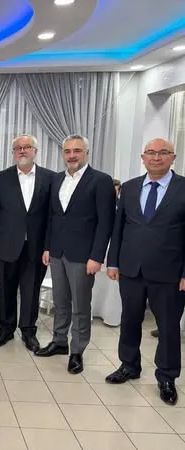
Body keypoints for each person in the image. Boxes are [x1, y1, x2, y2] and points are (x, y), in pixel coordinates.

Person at [105, 138, 185, 406]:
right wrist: (113, 262)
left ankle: (167, 376)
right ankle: (129, 365)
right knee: (129, 319)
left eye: (163, 153)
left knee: (168, 327)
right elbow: (118, 228)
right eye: (150, 152)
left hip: (170, 273)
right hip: (131, 269)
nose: (156, 157)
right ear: (143, 157)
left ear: (173, 158)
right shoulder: (129, 188)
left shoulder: (183, 188)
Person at [36, 135, 115, 375]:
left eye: (77, 151)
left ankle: (77, 350)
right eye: (68, 151)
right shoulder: (56, 179)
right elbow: (52, 217)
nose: (72, 155)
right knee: (60, 302)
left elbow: (105, 223)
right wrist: (47, 247)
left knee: (80, 306)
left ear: (86, 153)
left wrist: (97, 257)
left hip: (83, 256)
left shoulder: (101, 180)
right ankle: (59, 341)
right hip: (57, 252)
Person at [0, 135, 55, 352]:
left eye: (27, 147)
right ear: (13, 152)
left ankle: (28, 331)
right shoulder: (0, 178)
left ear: (35, 151)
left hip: (36, 247)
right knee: (6, 289)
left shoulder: (50, 178)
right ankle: (6, 329)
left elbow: (52, 217)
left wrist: (48, 246)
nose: (22, 151)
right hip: (5, 244)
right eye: (18, 148)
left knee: (31, 290)